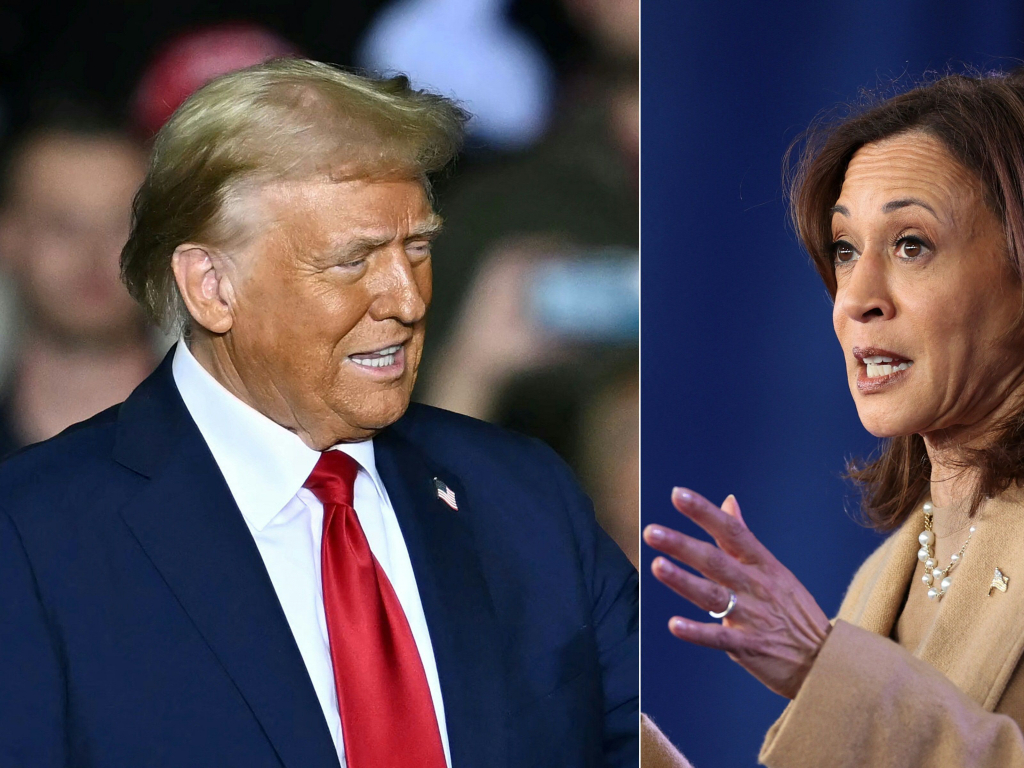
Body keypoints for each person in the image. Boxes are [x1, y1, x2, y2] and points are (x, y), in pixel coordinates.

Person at [0, 59, 637, 767]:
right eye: (353, 260)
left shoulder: (526, 500)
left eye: (417, 247)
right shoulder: (31, 538)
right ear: (212, 287)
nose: (407, 297)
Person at [643, 66, 1024, 767]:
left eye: (911, 245)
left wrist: (826, 671)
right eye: (846, 251)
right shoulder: (883, 579)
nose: (856, 297)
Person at [0, 106, 156, 456]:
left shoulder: (227, 455)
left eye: (122, 225)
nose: (93, 255)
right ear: (8, 236)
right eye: (63, 225)